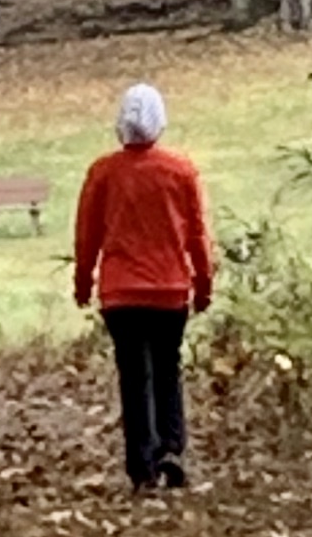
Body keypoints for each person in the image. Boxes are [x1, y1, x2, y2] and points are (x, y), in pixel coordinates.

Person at [71, 82, 215, 492]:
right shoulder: (180, 171)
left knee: (134, 376)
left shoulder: (103, 172)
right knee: (168, 367)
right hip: (170, 291)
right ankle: (171, 447)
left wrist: (84, 282)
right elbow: (197, 234)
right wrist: (203, 283)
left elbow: (87, 235)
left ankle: (142, 465)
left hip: (121, 294)